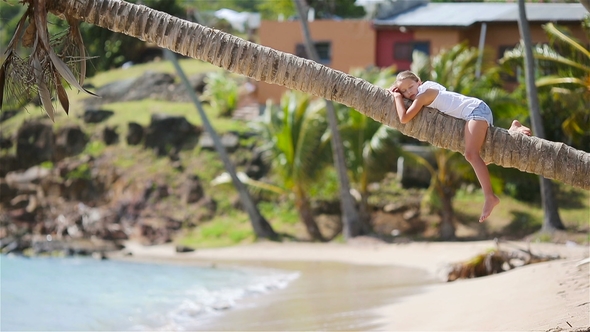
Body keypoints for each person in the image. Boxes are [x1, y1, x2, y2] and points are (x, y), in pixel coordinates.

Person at [389, 70, 532, 222]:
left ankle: (490, 197)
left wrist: (397, 96)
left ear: (419, 81)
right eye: (403, 91)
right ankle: (513, 130)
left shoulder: (424, 95)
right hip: (476, 110)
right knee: (486, 158)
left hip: (475, 111)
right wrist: (395, 89)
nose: (408, 92)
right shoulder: (428, 86)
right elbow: (402, 87)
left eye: (410, 87)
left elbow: (404, 118)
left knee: (471, 154)